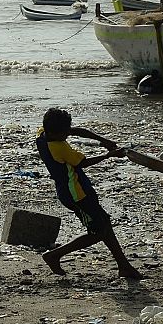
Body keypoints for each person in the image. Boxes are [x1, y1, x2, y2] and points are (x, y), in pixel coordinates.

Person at [36, 108, 142, 279]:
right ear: (57, 133)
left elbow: (76, 131)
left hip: (77, 189)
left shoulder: (42, 135)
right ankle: (54, 255)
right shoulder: (60, 148)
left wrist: (102, 140)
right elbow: (84, 163)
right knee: (98, 232)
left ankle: (124, 266)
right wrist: (110, 155)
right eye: (65, 133)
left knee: (104, 223)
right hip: (76, 195)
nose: (68, 135)